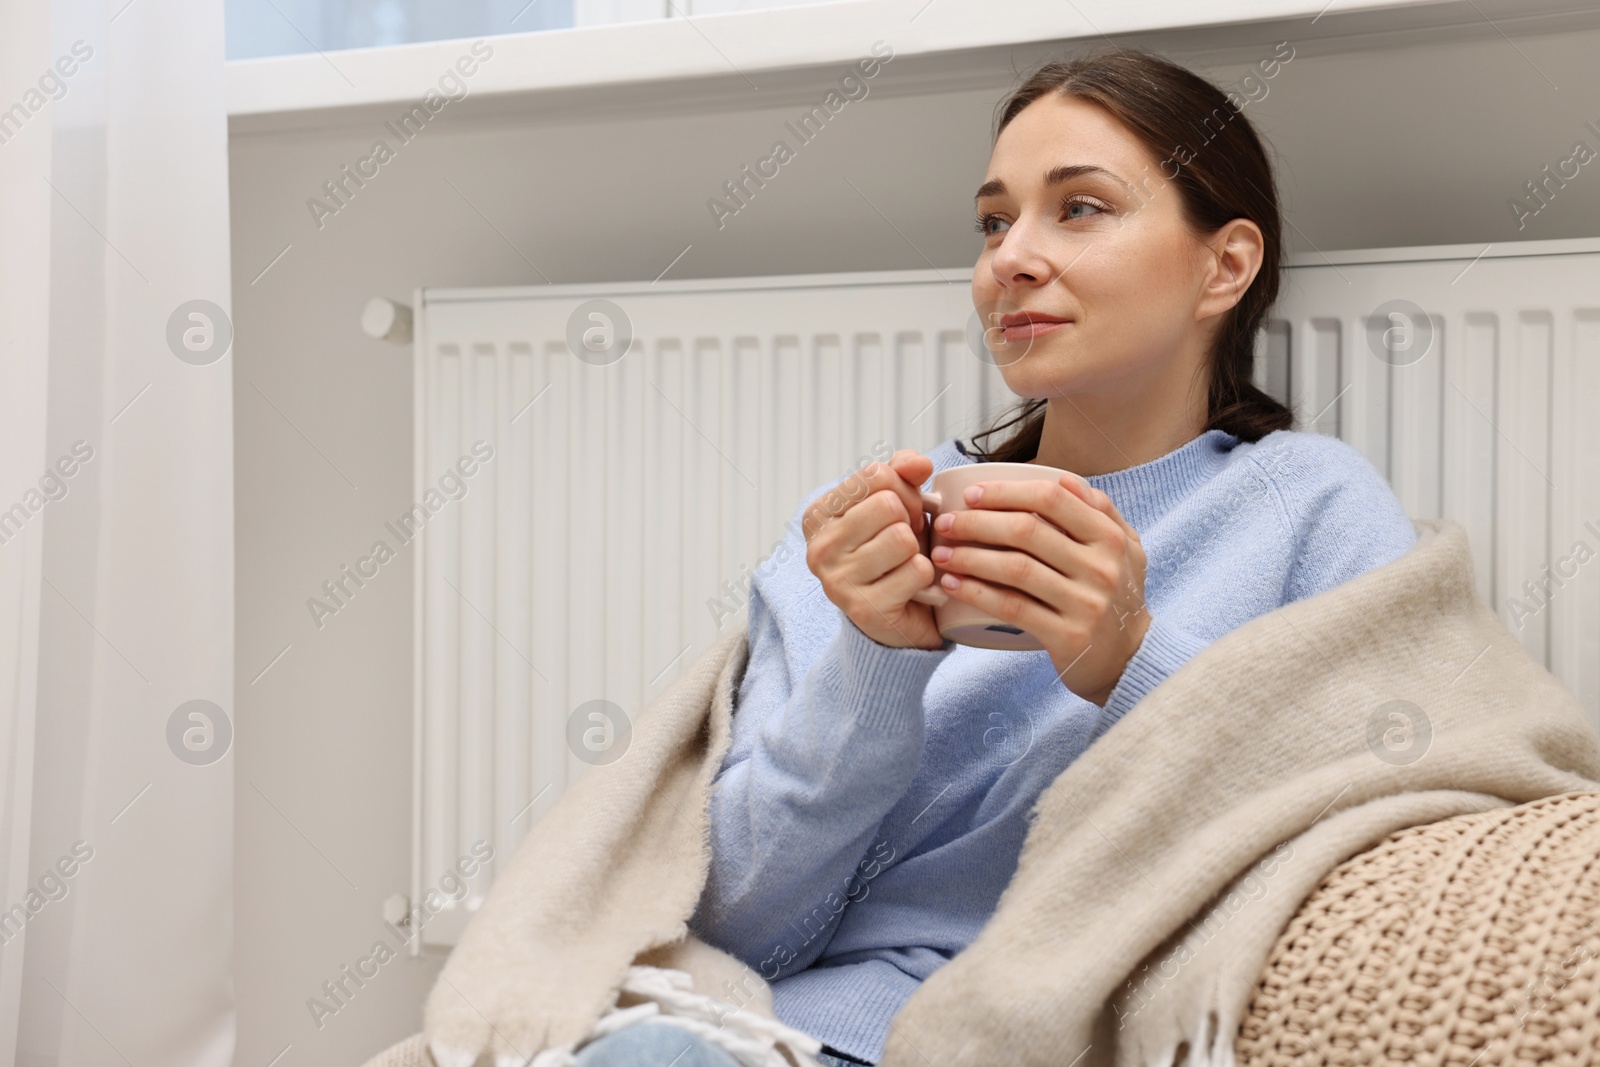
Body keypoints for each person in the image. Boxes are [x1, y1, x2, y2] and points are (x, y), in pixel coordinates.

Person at [576, 46, 1416, 1067]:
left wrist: (1130, 655)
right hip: (793, 1034)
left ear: (1224, 265)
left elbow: (1372, 837)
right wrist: (873, 659)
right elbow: (749, 929)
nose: (1008, 258)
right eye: (992, 220)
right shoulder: (864, 535)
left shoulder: (1307, 508)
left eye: (1080, 208)